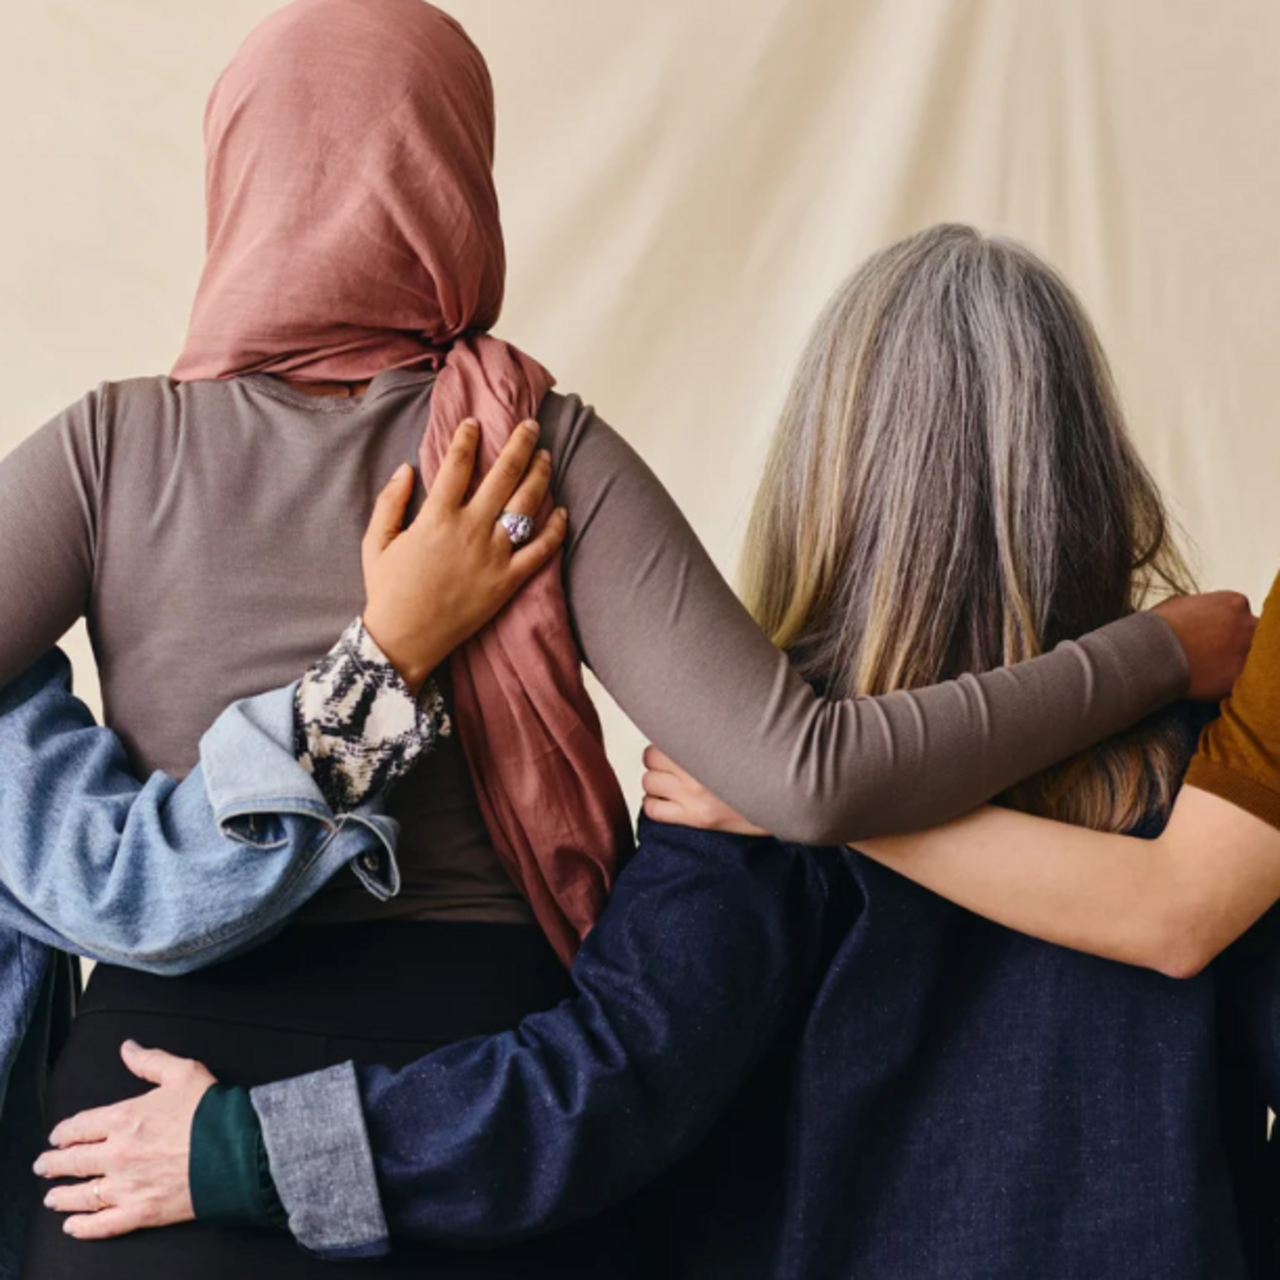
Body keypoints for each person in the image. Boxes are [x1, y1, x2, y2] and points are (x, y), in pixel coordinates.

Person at [28, 227, 1280, 1280]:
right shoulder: (1207, 786)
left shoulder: (727, 784)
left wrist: (246, 1149)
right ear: (1088, 468)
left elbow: (587, 1097)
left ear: (828, 469)